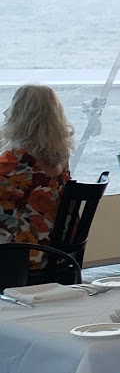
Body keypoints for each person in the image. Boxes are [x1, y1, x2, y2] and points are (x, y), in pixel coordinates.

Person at [0, 84, 72, 271]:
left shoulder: (16, 162)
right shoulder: (61, 160)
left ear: (18, 116)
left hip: (22, 257)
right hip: (59, 253)